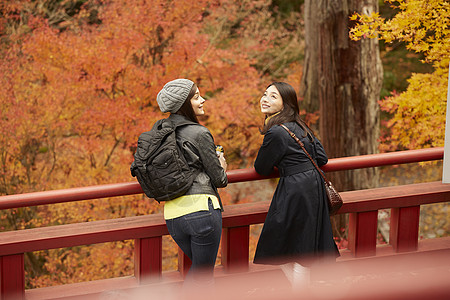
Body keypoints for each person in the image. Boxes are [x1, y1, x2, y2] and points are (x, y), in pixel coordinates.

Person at [253, 82, 339, 289]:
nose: (265, 99)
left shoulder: (276, 133)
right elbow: (322, 158)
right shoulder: (301, 126)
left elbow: (261, 168)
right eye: (265, 94)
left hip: (295, 189)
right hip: (313, 187)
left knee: (280, 243)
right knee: (303, 244)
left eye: (273, 96)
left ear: (285, 104)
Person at [155, 78, 228, 287]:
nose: (203, 100)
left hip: (173, 217)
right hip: (202, 213)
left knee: (199, 273)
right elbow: (220, 180)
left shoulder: (159, 133)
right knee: (203, 278)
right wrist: (222, 165)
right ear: (184, 104)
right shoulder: (200, 132)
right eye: (196, 97)